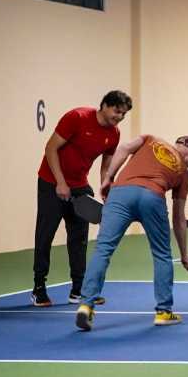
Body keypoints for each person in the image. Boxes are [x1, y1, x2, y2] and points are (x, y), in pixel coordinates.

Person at [73, 132, 188, 330]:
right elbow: (179, 218)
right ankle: (164, 312)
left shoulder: (151, 139)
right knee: (162, 255)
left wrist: (108, 178)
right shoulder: (183, 171)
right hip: (153, 196)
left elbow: (124, 148)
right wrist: (184, 255)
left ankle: (86, 305)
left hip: (120, 193)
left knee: (103, 249)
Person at [32, 90, 131, 306]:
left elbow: (106, 166)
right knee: (45, 236)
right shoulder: (77, 117)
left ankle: (78, 290)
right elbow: (50, 148)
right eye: (117, 111)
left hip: (79, 186)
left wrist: (106, 189)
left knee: (79, 240)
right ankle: (39, 288)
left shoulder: (114, 133)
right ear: (104, 105)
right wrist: (60, 182)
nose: (120, 117)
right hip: (50, 182)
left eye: (123, 114)